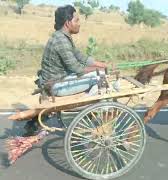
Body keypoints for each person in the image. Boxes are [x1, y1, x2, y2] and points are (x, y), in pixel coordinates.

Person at [23, 5, 109, 136]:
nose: (79, 24)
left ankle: (89, 111)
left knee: (101, 71)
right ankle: (86, 112)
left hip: (54, 81)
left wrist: (101, 64)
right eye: (77, 20)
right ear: (68, 23)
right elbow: (77, 68)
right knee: (101, 77)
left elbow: (79, 56)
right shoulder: (61, 41)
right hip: (57, 85)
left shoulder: (62, 36)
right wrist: (100, 69)